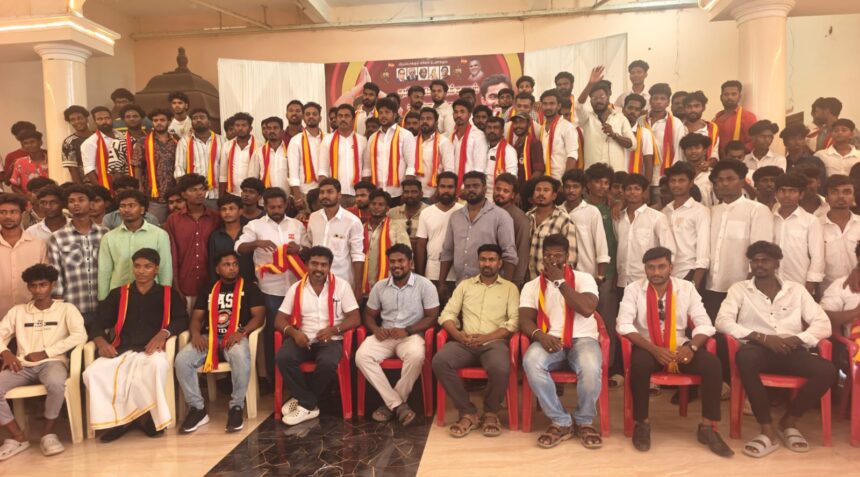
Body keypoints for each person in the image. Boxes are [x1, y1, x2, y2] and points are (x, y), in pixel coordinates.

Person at [715, 241, 835, 457]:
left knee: (827, 370)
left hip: (792, 349)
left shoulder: (796, 290)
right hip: (757, 349)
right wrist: (760, 337)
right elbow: (722, 321)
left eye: (765, 260)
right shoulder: (739, 289)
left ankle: (789, 420)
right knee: (745, 359)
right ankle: (766, 429)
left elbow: (823, 324)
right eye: (755, 261)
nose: (759, 265)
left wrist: (797, 340)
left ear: (777, 264)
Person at [617, 247, 731, 456]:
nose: (656, 272)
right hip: (648, 345)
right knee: (639, 365)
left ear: (671, 267)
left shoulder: (686, 288)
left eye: (661, 267)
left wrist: (691, 347)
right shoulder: (634, 289)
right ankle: (642, 424)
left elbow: (705, 324)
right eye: (651, 267)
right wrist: (654, 349)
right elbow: (623, 325)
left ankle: (707, 428)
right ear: (645, 269)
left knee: (713, 365)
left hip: (680, 346)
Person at [84, 248, 188, 442]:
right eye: (137, 266)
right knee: (92, 372)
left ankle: (145, 418)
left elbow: (182, 319)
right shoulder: (119, 294)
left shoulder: (168, 293)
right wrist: (101, 342)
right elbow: (98, 322)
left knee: (156, 366)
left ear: (156, 269)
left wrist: (164, 334)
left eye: (147, 266)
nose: (141, 271)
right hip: (122, 349)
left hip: (152, 350)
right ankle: (120, 420)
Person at [520, 234, 603, 449]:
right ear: (542, 257)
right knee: (531, 361)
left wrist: (560, 281)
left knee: (590, 367)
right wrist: (540, 336)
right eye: (548, 255)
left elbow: (586, 309)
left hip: (583, 338)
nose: (553, 260)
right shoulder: (532, 286)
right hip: (550, 339)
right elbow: (524, 319)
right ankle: (561, 421)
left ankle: (584, 421)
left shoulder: (584, 278)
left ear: (567, 257)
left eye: (558, 255)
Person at [0, 264, 87, 460]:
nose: (38, 290)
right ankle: (18, 437)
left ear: (52, 285)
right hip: (22, 366)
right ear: (28, 287)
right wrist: (5, 352)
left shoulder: (66, 309)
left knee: (56, 383)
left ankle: (48, 434)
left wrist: (46, 352)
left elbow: (80, 335)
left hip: (53, 363)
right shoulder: (18, 311)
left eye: (43, 285)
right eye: (33, 286)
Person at [432, 244, 519, 438]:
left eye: (491, 260)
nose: (487, 264)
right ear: (478, 261)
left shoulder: (510, 288)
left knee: (500, 367)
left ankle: (491, 412)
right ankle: (468, 412)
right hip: (465, 342)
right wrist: (458, 335)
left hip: (494, 343)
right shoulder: (465, 285)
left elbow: (514, 322)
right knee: (440, 361)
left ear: (500, 263)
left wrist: (487, 338)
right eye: (483, 259)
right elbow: (447, 314)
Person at [176, 250, 265, 434]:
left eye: (235, 264)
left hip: (235, 337)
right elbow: (196, 318)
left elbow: (259, 316)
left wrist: (241, 332)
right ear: (217, 269)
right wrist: (195, 334)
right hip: (209, 337)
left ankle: (236, 407)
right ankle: (198, 409)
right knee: (182, 360)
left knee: (240, 356)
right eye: (227, 264)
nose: (232, 268)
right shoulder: (209, 289)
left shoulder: (250, 287)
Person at [275, 246, 361, 425]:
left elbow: (355, 318)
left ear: (329, 266)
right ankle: (308, 402)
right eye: (314, 264)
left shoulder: (342, 286)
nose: (319, 269)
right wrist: (294, 333)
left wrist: (334, 330)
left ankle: (305, 402)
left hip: (331, 340)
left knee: (328, 362)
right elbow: (279, 319)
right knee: (283, 357)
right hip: (303, 338)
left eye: (324, 265)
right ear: (307, 264)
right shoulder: (296, 288)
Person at [355, 244, 439, 425]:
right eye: (392, 261)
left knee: (416, 356)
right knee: (361, 356)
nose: (396, 265)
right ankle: (398, 405)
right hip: (385, 335)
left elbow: (432, 317)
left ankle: (390, 405)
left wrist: (408, 330)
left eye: (401, 261)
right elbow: (368, 315)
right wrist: (376, 330)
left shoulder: (425, 285)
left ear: (410, 262)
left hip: (411, 335)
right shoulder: (380, 286)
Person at [235, 187, 306, 387]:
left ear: (286, 205)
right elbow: (238, 247)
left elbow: (310, 250)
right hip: (270, 290)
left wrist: (299, 249)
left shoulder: (297, 225)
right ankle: (274, 380)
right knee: (273, 335)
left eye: (280, 206)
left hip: (297, 289)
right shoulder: (254, 226)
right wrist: (256, 243)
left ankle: (297, 380)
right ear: (264, 206)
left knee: (298, 332)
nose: (276, 210)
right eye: (272, 207)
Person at [703, 159, 774, 320]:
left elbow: (761, 250)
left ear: (742, 181)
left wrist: (751, 283)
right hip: (712, 287)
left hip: (743, 287)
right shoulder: (712, 211)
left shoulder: (757, 210)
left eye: (730, 179)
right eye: (720, 180)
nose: (724, 184)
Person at [439, 171, 518, 291]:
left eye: (476, 186)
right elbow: (447, 251)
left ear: (485, 188)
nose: (471, 189)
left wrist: (506, 288)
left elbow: (509, 254)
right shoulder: (456, 217)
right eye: (467, 186)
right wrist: (441, 283)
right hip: (460, 286)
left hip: (491, 288)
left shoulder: (501, 216)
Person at [48, 185, 108, 325]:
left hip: (103, 306)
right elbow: (56, 275)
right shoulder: (58, 237)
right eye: (71, 201)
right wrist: (59, 307)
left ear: (91, 203)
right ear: (67, 206)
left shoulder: (105, 234)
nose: (76, 204)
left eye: (81, 200)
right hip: (72, 307)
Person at [97, 189, 172, 300]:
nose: (126, 210)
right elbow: (104, 272)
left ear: (142, 209)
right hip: (118, 296)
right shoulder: (109, 237)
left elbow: (165, 268)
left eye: (131, 205)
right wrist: (103, 300)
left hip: (151, 296)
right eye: (122, 206)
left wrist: (166, 297)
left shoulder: (160, 235)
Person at [165, 173, 222, 312]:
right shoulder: (173, 220)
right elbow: (172, 255)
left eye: (202, 189)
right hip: (184, 284)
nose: (199, 193)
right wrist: (176, 286)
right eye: (193, 190)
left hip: (211, 284)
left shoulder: (216, 218)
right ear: (183, 194)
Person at [303, 178, 365, 298]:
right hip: (315, 281)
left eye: (330, 192)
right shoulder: (314, 217)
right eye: (322, 192)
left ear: (339, 195)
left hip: (341, 281)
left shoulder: (352, 221)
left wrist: (358, 288)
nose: (325, 195)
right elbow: (309, 245)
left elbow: (357, 256)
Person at [615, 173, 677, 288]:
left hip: (648, 280)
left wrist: (662, 278)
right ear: (623, 192)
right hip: (622, 280)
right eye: (628, 189)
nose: (632, 192)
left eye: (637, 189)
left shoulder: (656, 217)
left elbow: (669, 250)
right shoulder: (618, 218)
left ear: (644, 192)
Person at [772, 173, 824, 294]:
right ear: (776, 194)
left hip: (800, 284)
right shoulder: (769, 219)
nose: (786, 195)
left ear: (801, 194)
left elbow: (818, 257)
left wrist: (809, 288)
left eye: (792, 191)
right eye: (782, 190)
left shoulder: (811, 221)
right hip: (771, 285)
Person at [662, 162, 709, 287]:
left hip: (689, 273)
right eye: (673, 181)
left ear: (691, 183)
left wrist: (695, 282)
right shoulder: (665, 211)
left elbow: (703, 249)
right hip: (666, 275)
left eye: (681, 180)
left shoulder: (700, 211)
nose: (676, 184)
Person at [577, 68, 634, 170]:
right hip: (592, 174)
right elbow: (578, 106)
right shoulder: (586, 118)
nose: (598, 100)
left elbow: (632, 145)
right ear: (590, 101)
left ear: (608, 97)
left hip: (616, 174)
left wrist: (614, 135)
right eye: (594, 98)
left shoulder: (620, 118)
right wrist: (590, 84)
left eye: (602, 97)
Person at [0, 193, 47, 319]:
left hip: (31, 316)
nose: (8, 216)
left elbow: (46, 281)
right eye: (3, 212)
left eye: (13, 212)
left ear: (22, 213)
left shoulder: (38, 245)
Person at [361, 98, 416, 205]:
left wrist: (407, 193)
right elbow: (367, 168)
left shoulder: (405, 135)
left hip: (398, 193)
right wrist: (366, 192)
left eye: (387, 112)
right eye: (381, 112)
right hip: (376, 193)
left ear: (395, 114)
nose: (383, 115)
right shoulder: (372, 138)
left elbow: (411, 166)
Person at [415, 172, 462, 287]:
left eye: (450, 187)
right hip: (431, 273)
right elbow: (421, 246)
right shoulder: (426, 213)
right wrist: (420, 276)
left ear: (456, 189)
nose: (446, 190)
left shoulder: (463, 211)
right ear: (437, 188)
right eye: (442, 186)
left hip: (457, 274)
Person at [526, 176, 578, 280]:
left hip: (552, 279)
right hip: (529, 280)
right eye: (538, 190)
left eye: (546, 190)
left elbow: (571, 256)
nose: (541, 193)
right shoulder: (527, 217)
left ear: (554, 196)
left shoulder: (564, 219)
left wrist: (562, 280)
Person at [360, 190, 410, 296]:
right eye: (373, 204)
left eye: (380, 204)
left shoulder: (396, 227)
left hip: (390, 285)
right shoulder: (360, 228)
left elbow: (407, 254)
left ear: (387, 208)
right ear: (369, 206)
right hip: (363, 286)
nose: (376, 207)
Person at [562, 169, 610, 280]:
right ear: (563, 188)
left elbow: (601, 245)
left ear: (583, 189)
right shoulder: (557, 211)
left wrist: (600, 276)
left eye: (575, 187)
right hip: (560, 273)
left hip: (586, 273)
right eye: (567, 187)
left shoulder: (592, 211)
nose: (571, 190)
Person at [319, 104, 369, 206]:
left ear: (353, 119)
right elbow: (323, 171)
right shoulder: (327, 140)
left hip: (357, 195)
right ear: (336, 119)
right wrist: (327, 194)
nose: (343, 119)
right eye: (340, 116)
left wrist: (363, 194)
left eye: (347, 116)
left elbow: (366, 171)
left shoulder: (362, 140)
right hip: (335, 195)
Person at [174, 108, 223, 209]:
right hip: (193, 196)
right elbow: (179, 168)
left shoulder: (222, 140)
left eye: (202, 117)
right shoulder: (184, 142)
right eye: (195, 118)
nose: (198, 120)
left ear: (209, 122)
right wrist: (186, 193)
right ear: (191, 122)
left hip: (217, 194)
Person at [136, 108, 178, 224]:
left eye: (162, 120)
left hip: (175, 193)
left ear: (169, 121)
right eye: (155, 120)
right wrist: (139, 186)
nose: (159, 123)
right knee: (155, 225)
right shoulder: (143, 141)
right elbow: (137, 165)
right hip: (154, 194)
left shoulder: (176, 140)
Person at [640, 83, 685, 188]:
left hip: (664, 177)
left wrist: (673, 176)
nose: (658, 102)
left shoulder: (676, 123)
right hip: (642, 174)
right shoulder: (640, 121)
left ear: (668, 102)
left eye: (662, 99)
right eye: (655, 98)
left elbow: (678, 152)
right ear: (650, 101)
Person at [820, 174, 860, 290]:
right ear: (826, 198)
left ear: (853, 197)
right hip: (826, 292)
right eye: (834, 192)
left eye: (847, 192)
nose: (841, 196)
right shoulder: (815, 226)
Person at [493, 173, 531, 288]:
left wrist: (516, 281)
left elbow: (522, 251)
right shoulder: (487, 211)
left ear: (513, 195)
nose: (500, 193)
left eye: (506, 191)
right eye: (498, 189)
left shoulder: (519, 217)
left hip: (508, 277)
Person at [208, 194, 253, 283]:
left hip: (249, 283)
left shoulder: (250, 233)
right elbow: (212, 264)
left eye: (231, 208)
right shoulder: (215, 236)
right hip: (225, 285)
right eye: (223, 209)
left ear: (240, 211)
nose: (227, 212)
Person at [412, 107, 454, 201]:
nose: (425, 121)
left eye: (429, 118)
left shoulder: (444, 142)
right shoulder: (412, 141)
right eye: (422, 119)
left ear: (436, 123)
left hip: (433, 194)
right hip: (414, 195)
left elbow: (449, 170)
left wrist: (438, 193)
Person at [287, 104, 325, 206]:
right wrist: (297, 197)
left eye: (314, 114)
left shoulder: (328, 139)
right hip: (305, 192)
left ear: (320, 118)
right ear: (303, 118)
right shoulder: (296, 140)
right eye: (308, 114)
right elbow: (293, 171)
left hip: (326, 191)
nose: (311, 116)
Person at [539, 89, 578, 179]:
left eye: (552, 103)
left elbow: (572, 155)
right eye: (545, 104)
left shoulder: (567, 127)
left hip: (560, 178)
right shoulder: (541, 129)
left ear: (559, 106)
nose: (548, 107)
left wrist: (565, 181)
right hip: (544, 179)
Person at [449, 99, 488, 185]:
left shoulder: (478, 136)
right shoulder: (451, 136)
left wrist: (470, 187)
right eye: (456, 112)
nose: (458, 115)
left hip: (470, 187)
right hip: (452, 186)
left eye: (462, 112)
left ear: (469, 114)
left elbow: (479, 168)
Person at [713, 80, 757, 157]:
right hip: (718, 161)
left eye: (734, 94)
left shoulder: (747, 117)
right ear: (721, 97)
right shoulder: (716, 118)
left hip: (738, 161)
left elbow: (752, 142)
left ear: (739, 97)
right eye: (726, 94)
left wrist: (735, 155)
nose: (730, 97)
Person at [219, 112, 257, 198]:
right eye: (237, 125)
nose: (240, 128)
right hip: (232, 193)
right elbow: (223, 175)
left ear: (250, 128)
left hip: (252, 195)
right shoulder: (227, 146)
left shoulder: (259, 146)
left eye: (244, 125)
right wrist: (221, 198)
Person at [248, 116, 288, 193]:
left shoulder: (289, 150)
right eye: (269, 128)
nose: (272, 131)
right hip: (265, 196)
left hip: (287, 196)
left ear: (282, 132)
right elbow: (252, 178)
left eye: (275, 128)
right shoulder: (258, 152)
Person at [622, 94, 655, 181]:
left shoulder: (645, 133)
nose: (633, 112)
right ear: (623, 109)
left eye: (637, 109)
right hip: (615, 180)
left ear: (640, 113)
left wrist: (646, 186)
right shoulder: (614, 130)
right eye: (630, 108)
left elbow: (648, 163)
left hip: (634, 182)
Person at [388, 179, 427, 250]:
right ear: (402, 194)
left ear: (421, 194)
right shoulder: (392, 213)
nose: (410, 195)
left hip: (423, 253)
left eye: (414, 192)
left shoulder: (429, 212)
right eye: (406, 192)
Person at [682, 91, 720, 163]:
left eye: (697, 106)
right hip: (680, 169)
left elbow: (714, 155)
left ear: (703, 108)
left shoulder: (712, 128)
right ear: (684, 108)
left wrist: (708, 164)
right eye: (689, 106)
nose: (693, 110)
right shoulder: (677, 127)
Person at [508, 111, 545, 184]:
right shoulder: (516, 144)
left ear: (529, 124)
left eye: (521, 122)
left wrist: (526, 188)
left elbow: (539, 171)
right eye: (515, 123)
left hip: (527, 187)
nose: (518, 125)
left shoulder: (534, 143)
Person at [8, 130, 49, 196]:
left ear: (40, 142)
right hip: (28, 201)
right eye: (26, 143)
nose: (29, 145)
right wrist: (28, 198)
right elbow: (14, 186)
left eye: (32, 142)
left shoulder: (51, 160)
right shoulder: (19, 163)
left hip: (49, 199)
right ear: (23, 146)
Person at [483, 117, 518, 190]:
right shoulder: (481, 146)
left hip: (498, 193)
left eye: (496, 128)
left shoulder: (509, 151)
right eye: (489, 127)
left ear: (502, 130)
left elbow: (512, 177)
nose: (492, 130)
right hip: (480, 191)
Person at [61, 105, 92, 184]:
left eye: (80, 118)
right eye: (72, 120)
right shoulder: (68, 143)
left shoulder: (99, 136)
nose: (77, 122)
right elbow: (73, 170)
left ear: (86, 119)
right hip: (86, 185)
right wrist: (81, 189)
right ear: (70, 122)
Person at [3, 121, 38, 186]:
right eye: (23, 134)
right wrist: (12, 168)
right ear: (17, 137)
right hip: (21, 192)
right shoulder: (11, 156)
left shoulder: (46, 153)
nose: (27, 135)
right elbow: (7, 183)